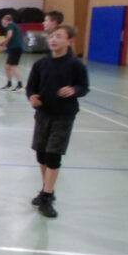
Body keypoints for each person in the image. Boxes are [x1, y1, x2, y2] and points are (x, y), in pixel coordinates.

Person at [25, 24, 89, 218]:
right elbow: (31, 87)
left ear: (70, 41)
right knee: (41, 154)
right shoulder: (41, 64)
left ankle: (47, 195)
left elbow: (84, 87)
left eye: (59, 36)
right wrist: (32, 97)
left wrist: (74, 90)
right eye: (51, 36)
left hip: (63, 115)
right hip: (43, 114)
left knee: (53, 155)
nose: (53, 39)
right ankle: (47, 189)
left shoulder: (76, 65)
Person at [0, 13, 24, 91]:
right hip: (13, 48)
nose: (2, 23)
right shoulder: (13, 26)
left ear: (7, 20)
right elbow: (7, 38)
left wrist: (3, 46)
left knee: (14, 66)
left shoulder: (10, 25)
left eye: (3, 21)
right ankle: (9, 84)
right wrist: (0, 44)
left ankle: (20, 85)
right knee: (7, 66)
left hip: (15, 48)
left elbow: (9, 36)